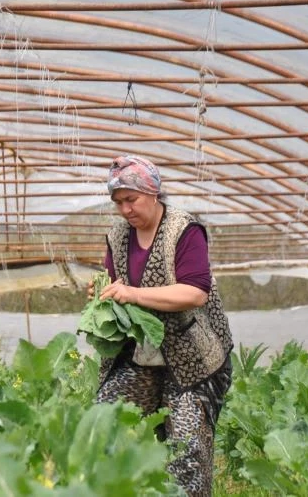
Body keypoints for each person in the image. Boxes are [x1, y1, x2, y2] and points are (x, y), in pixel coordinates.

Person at [91, 155, 233, 497]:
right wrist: (104, 291)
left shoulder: (183, 230)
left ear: (153, 193)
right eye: (118, 202)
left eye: (131, 200)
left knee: (186, 451)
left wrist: (134, 294)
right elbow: (118, 283)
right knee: (100, 425)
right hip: (141, 355)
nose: (125, 210)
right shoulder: (118, 236)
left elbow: (195, 292)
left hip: (193, 359)